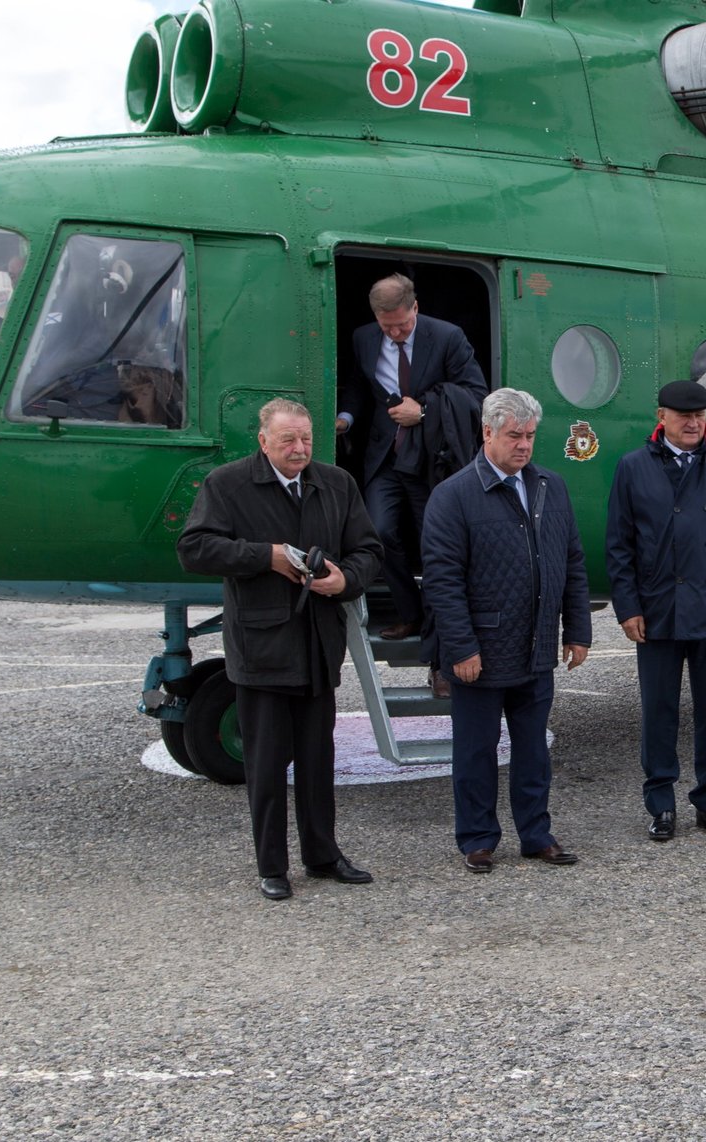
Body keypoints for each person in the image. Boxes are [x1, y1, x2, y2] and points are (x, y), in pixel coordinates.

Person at [177, 399, 384, 902]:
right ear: (263, 440)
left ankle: (323, 855)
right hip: (261, 648)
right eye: (288, 440)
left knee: (318, 760)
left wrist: (345, 581)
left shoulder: (336, 483)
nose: (299, 449)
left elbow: (369, 550)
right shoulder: (227, 484)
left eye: (306, 439)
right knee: (266, 765)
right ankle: (272, 865)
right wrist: (263, 556)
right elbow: (194, 548)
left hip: (317, 645)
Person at [421, 388, 593, 873]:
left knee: (533, 749)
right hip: (480, 651)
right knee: (476, 752)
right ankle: (477, 839)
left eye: (531, 436)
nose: (523, 445)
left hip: (536, 646)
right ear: (487, 432)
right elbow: (442, 579)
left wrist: (577, 631)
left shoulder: (549, 487)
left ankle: (536, 834)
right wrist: (461, 647)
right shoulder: (453, 495)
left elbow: (572, 563)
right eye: (514, 435)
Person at [605, 380, 706, 842]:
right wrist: (627, 607)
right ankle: (661, 803)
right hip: (658, 610)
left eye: (701, 416)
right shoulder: (633, 467)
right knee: (659, 711)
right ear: (661, 417)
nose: (693, 424)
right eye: (683, 416)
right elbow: (619, 545)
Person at [336, 273, 488, 640]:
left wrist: (422, 411)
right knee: (379, 531)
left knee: (432, 541)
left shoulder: (447, 337)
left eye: (403, 325)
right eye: (387, 327)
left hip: (431, 457)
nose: (396, 334)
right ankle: (410, 614)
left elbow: (476, 394)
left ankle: (437, 631)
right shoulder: (364, 338)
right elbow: (360, 384)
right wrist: (346, 417)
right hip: (385, 455)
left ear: (415, 308)